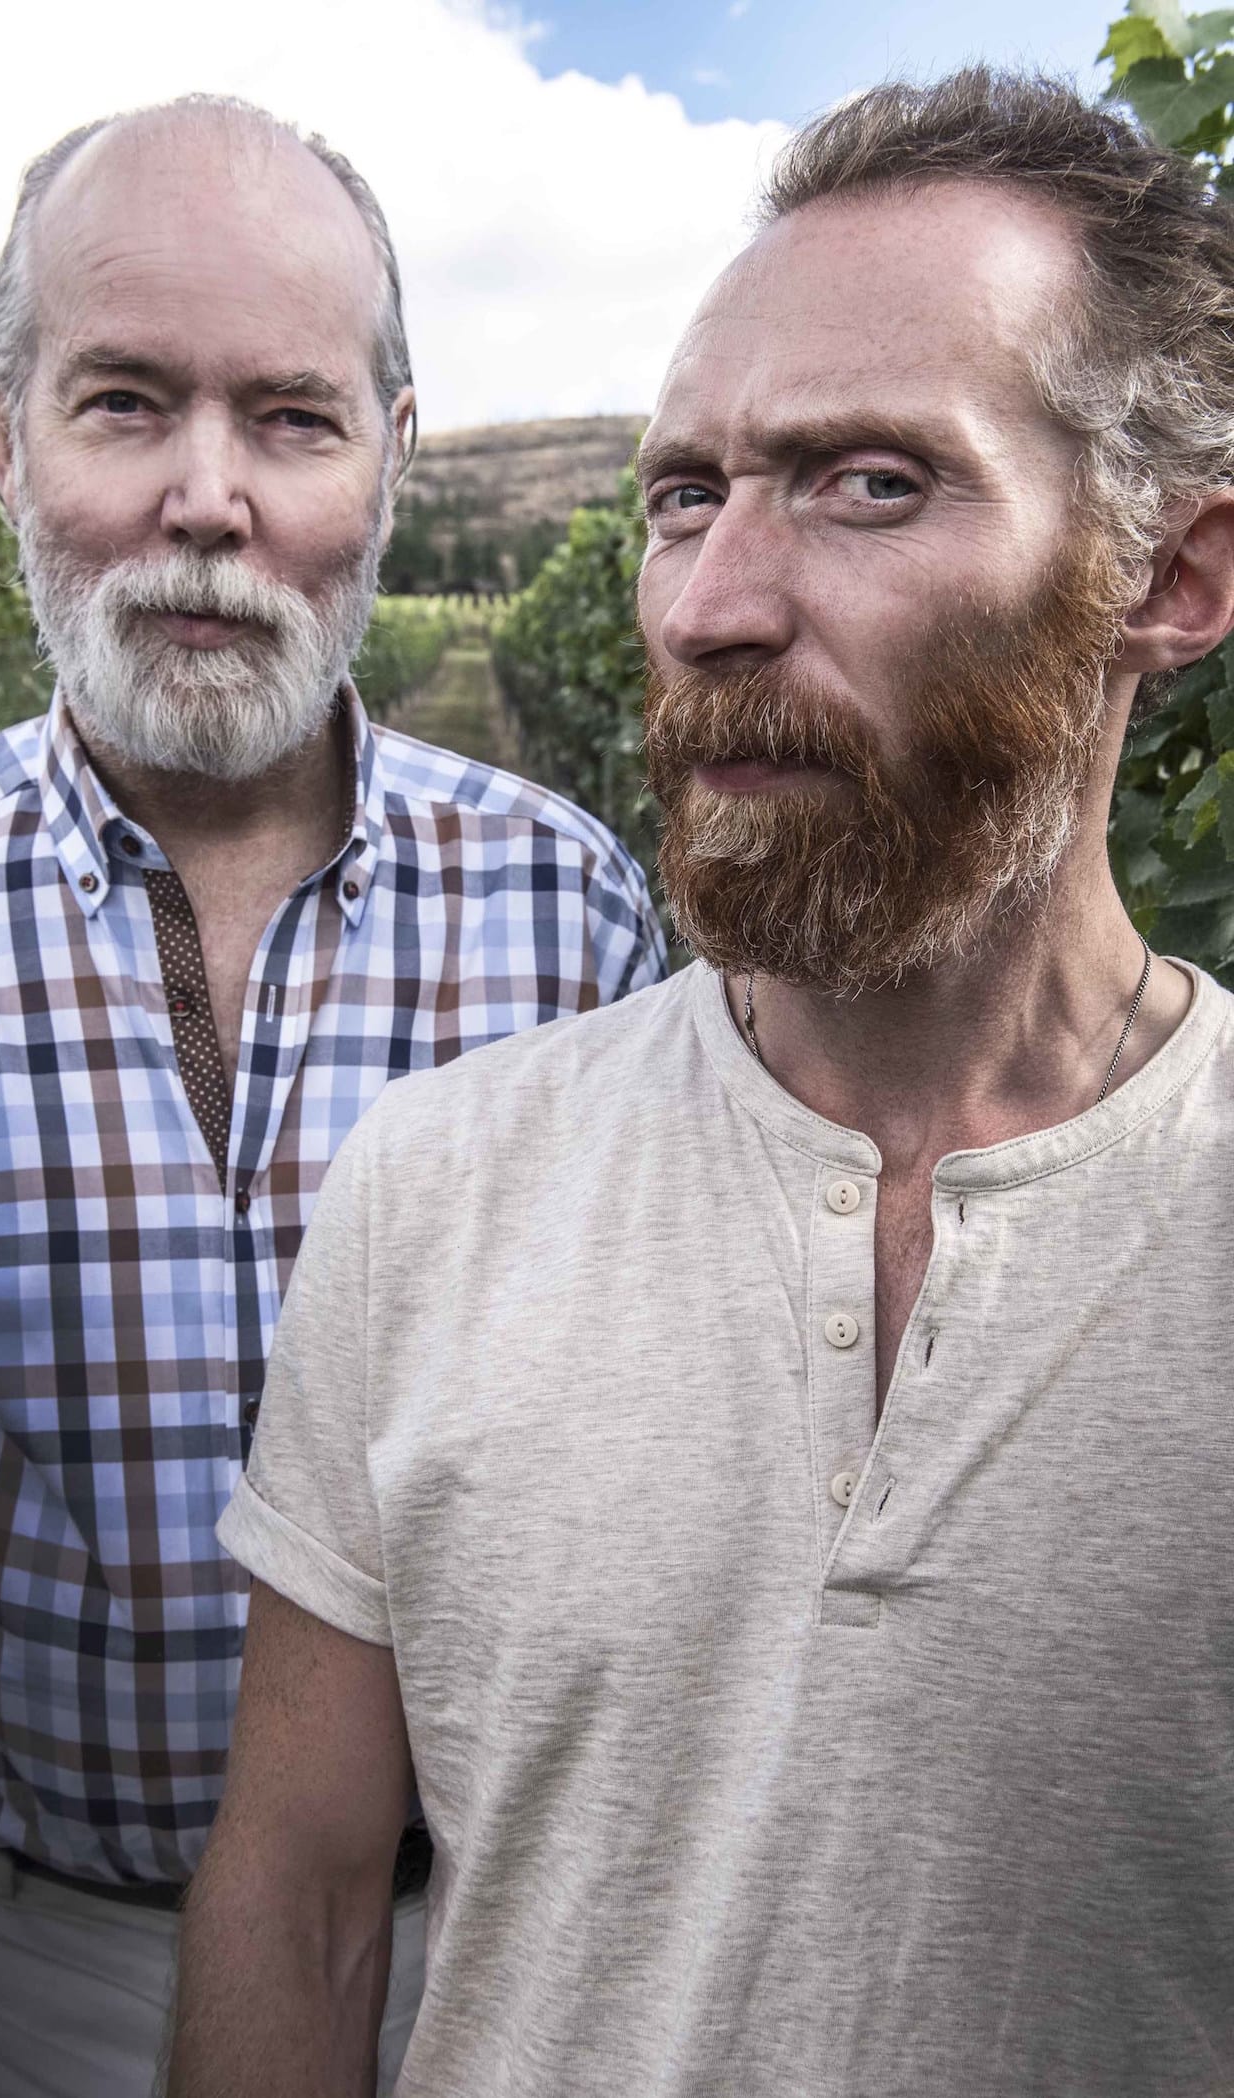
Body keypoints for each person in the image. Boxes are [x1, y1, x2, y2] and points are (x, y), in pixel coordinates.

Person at [175, 68, 1234, 2098]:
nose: (709, 607)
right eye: (685, 493)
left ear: (1167, 580)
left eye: (870, 484)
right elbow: (298, 1895)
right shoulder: (435, 1186)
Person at [0, 95, 664, 2098]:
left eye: (290, 418)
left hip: (482, 1969)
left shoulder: (574, 912)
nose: (209, 497)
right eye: (125, 403)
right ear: (8, 431)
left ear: (389, 454)